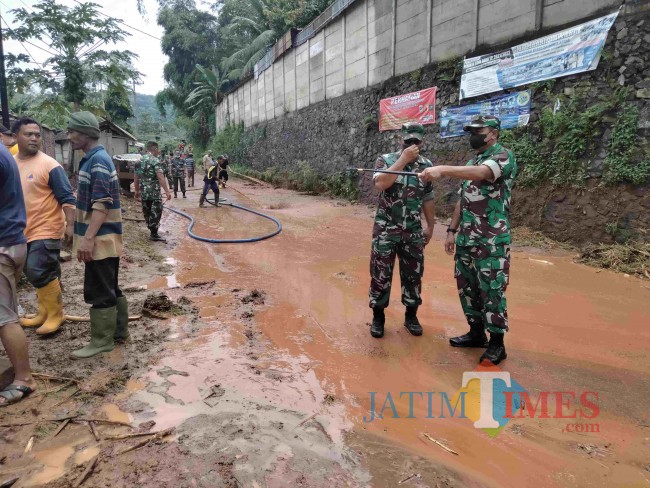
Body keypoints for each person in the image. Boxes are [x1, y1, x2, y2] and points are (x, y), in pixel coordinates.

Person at [419, 115, 517, 366]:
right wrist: (451, 230)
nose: (473, 135)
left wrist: (443, 170)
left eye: (478, 130)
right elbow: (464, 200)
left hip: (491, 240)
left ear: (493, 133)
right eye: (471, 131)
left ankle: (497, 344)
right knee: (467, 287)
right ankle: (476, 333)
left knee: (492, 289)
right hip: (467, 239)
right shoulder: (473, 160)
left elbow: (484, 173)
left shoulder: (502, 156)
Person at [67, 112, 128, 359]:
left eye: (72, 131)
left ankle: (102, 341)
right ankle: (119, 332)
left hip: (100, 239)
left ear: (85, 133)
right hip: (104, 238)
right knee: (109, 285)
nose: (69, 136)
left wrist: (87, 239)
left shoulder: (98, 162)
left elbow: (101, 204)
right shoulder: (93, 159)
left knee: (99, 289)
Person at [369, 122, 436, 339]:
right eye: (408, 141)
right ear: (401, 140)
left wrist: (430, 226)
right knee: (380, 275)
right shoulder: (386, 160)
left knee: (413, 276)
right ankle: (378, 317)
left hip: (413, 232)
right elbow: (381, 184)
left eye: (416, 141)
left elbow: (427, 198)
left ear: (422, 142)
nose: (412, 144)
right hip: (386, 230)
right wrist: (403, 159)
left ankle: (411, 316)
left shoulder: (426, 166)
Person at [13, 117, 75, 335]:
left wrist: (69, 226)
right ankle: (44, 313)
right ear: (15, 137)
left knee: (39, 270)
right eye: (28, 134)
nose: (34, 138)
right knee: (37, 272)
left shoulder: (49, 165)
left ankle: (56, 315)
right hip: (22, 230)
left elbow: (67, 198)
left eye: (37, 135)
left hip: (46, 228)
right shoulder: (12, 161)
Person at [0, 144, 37, 405]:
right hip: (13, 240)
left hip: (4, 243)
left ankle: (24, 378)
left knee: (4, 317)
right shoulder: (5, 153)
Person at [134, 141, 172, 241]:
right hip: (154, 193)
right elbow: (160, 176)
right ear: (155, 149)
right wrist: (167, 191)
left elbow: (136, 178)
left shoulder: (139, 161)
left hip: (144, 193)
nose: (158, 152)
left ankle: (151, 230)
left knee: (147, 211)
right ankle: (154, 233)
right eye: (157, 150)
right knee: (156, 211)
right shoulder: (155, 160)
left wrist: (137, 191)